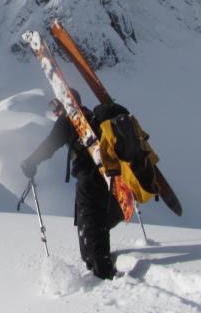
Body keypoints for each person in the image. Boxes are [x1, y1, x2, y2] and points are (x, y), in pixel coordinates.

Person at [20, 92, 126, 280]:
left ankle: (103, 272)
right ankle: (95, 263)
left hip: (90, 178)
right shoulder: (90, 119)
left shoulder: (69, 120)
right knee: (91, 220)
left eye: (57, 107)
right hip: (108, 178)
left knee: (92, 222)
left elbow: (50, 144)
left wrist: (31, 161)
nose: (55, 112)